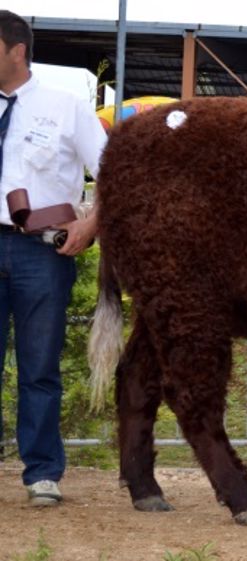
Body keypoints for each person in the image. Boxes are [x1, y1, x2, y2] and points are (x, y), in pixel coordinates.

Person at [0, 11, 104, 506]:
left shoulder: (67, 108)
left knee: (39, 366)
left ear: (16, 50)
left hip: (41, 251)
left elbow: (113, 173)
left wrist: (90, 225)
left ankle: (42, 473)